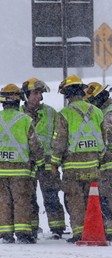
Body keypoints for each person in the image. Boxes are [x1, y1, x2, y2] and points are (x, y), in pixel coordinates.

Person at [51, 75, 105, 243]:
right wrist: (99, 158)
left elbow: (59, 141)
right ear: (82, 92)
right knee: (92, 199)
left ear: (67, 95)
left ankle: (79, 232)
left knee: (75, 199)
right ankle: (93, 230)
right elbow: (104, 137)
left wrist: (54, 163)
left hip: (72, 166)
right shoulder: (97, 112)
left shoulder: (64, 114)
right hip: (93, 165)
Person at [21, 78, 66, 239]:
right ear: (26, 95)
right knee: (29, 197)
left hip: (48, 164)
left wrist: (55, 160)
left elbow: (59, 136)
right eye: (35, 93)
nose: (38, 97)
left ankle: (57, 228)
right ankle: (33, 228)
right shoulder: (18, 115)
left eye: (40, 93)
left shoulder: (51, 113)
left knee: (52, 196)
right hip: (26, 164)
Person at [84, 82, 112, 242]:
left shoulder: (111, 113)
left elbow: (107, 135)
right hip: (107, 163)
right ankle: (110, 228)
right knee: (106, 198)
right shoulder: (104, 111)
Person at [0, 84, 45, 244]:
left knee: (3, 201)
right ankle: (23, 232)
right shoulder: (25, 120)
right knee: (22, 201)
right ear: (19, 99)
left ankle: (5, 232)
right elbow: (35, 145)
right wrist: (41, 162)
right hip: (20, 170)